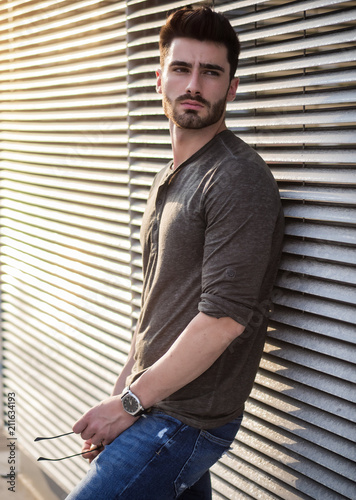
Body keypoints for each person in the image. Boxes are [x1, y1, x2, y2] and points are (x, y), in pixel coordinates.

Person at [66, 6, 284, 500]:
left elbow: (224, 319)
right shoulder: (171, 177)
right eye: (182, 69)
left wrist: (128, 405)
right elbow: (156, 311)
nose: (194, 85)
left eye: (211, 72)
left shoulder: (236, 178)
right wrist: (120, 396)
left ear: (231, 88)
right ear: (158, 78)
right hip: (156, 405)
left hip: (183, 421)